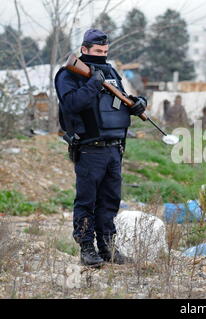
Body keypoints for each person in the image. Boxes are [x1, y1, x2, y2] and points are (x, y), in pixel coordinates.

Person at [55, 29, 147, 266]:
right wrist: (93, 84)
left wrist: (137, 104)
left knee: (110, 201)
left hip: (114, 147)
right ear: (84, 50)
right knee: (87, 201)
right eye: (97, 51)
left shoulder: (111, 71)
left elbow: (120, 100)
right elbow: (71, 104)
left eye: (105, 51)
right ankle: (87, 248)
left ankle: (107, 247)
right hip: (89, 147)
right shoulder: (69, 74)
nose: (102, 56)